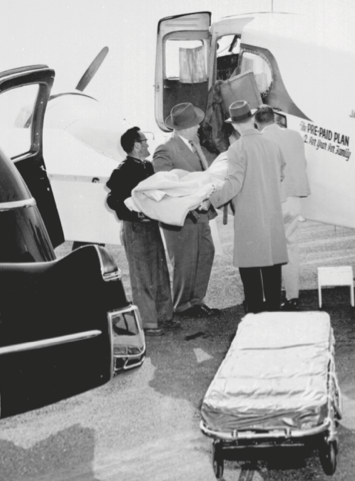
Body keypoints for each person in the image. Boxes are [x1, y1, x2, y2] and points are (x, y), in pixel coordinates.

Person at [207, 100, 288, 313]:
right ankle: (274, 315)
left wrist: (211, 198)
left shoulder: (236, 149)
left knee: (251, 278)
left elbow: (233, 184)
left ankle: (255, 319)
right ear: (252, 119)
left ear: (233, 125)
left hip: (249, 220)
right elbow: (280, 174)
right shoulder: (273, 145)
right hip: (272, 216)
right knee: (272, 274)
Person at [152, 103, 221, 318]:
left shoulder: (194, 144)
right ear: (186, 126)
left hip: (200, 214)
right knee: (185, 260)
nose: (199, 126)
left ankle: (196, 301)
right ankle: (182, 305)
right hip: (182, 215)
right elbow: (163, 181)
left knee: (205, 253)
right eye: (196, 123)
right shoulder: (166, 149)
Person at [106, 127, 176, 336]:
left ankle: (165, 317)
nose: (147, 144)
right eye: (144, 141)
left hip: (151, 226)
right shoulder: (123, 170)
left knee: (159, 271)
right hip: (136, 228)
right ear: (136, 145)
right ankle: (148, 322)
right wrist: (135, 215)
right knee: (142, 275)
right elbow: (113, 200)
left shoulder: (147, 166)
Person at [254, 105, 311, 310]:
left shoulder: (260, 140)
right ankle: (293, 295)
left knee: (269, 250)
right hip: (295, 196)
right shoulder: (295, 135)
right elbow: (302, 163)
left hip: (274, 199)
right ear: (275, 118)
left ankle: (271, 296)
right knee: (291, 245)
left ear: (257, 122)